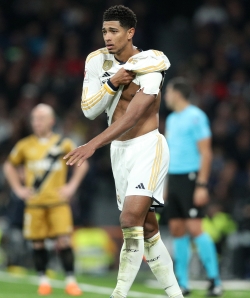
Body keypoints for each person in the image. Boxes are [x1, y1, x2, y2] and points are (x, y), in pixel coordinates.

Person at [65, 5, 183, 298]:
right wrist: (111, 82)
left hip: (147, 147)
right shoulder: (96, 61)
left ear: (130, 33)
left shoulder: (152, 64)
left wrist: (92, 144)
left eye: (114, 31)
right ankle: (176, 294)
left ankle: (118, 294)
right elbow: (90, 110)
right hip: (118, 152)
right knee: (147, 227)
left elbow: (133, 115)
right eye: (105, 30)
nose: (107, 36)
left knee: (130, 220)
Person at [3, 104, 88, 296]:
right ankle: (43, 280)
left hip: (58, 202)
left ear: (52, 121)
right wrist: (18, 189)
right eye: (34, 118)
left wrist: (71, 187)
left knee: (64, 241)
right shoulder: (24, 145)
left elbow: (82, 164)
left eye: (41, 118)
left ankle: (70, 281)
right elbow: (8, 166)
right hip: (35, 204)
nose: (37, 122)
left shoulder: (63, 143)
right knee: (37, 243)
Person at [163, 77, 222, 297]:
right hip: (175, 178)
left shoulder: (196, 116)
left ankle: (215, 280)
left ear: (178, 94)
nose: (166, 96)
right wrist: (167, 183)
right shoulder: (171, 120)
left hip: (191, 177)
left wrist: (202, 184)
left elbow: (206, 152)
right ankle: (182, 283)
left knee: (196, 228)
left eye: (168, 92)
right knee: (177, 229)